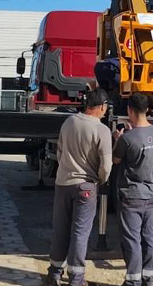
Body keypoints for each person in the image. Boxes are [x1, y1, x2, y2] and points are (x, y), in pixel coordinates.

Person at [47, 89, 113, 286]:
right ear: (101, 107)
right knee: (80, 233)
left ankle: (54, 274)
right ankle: (76, 279)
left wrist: (66, 170)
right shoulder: (102, 130)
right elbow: (106, 166)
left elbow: (59, 152)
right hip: (86, 186)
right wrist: (100, 180)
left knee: (60, 229)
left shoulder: (69, 122)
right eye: (105, 108)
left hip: (63, 183)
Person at [112, 92, 153, 286]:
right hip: (152, 194)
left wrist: (119, 137)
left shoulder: (127, 139)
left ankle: (133, 280)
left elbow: (116, 160)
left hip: (132, 195)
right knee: (150, 236)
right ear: (147, 109)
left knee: (132, 238)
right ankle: (148, 278)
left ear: (129, 110)